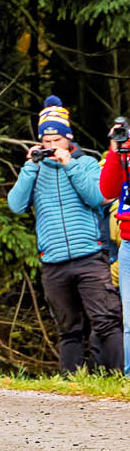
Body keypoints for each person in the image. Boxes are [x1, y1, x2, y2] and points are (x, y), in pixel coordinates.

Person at [7, 97, 122, 374]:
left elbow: (98, 196)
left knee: (106, 320)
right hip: (53, 261)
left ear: (68, 138)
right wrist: (29, 167)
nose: (51, 145)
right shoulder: (35, 170)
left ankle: (120, 375)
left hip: (90, 256)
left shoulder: (87, 163)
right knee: (68, 328)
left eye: (56, 139)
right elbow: (16, 205)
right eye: (46, 141)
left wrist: (69, 164)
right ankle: (71, 383)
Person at [99, 115, 130, 370]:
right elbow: (108, 190)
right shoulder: (125, 151)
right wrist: (115, 150)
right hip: (127, 243)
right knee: (129, 322)